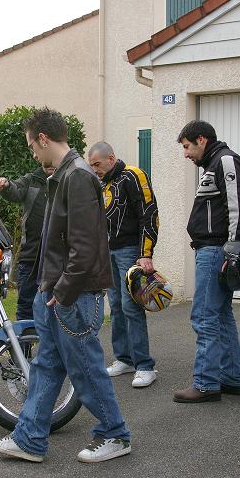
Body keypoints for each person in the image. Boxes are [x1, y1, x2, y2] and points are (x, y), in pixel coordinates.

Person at [0, 108, 131, 463]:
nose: (33, 154)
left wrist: (61, 291)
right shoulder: (66, 174)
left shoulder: (79, 176)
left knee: (85, 367)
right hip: (55, 292)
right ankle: (30, 439)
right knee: (47, 365)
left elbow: (84, 247)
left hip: (72, 296)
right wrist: (48, 288)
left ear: (43, 138)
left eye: (32, 146)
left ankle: (116, 434)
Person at [173, 120, 240, 404]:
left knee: (205, 316)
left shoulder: (226, 161)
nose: (185, 154)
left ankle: (206, 383)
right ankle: (232, 379)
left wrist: (232, 251)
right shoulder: (213, 164)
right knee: (220, 315)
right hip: (212, 249)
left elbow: (238, 207)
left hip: (215, 250)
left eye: (187, 147)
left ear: (202, 140)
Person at [87, 141, 159, 388]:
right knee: (116, 306)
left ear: (111, 158)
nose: (95, 169)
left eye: (97, 164)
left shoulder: (133, 175)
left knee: (131, 307)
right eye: (92, 165)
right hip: (108, 252)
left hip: (130, 252)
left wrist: (145, 253)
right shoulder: (102, 183)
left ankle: (145, 366)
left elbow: (149, 213)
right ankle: (124, 359)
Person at [0, 162, 55, 320]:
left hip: (55, 258)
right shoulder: (31, 180)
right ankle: (23, 344)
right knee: (25, 306)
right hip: (31, 256)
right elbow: (16, 190)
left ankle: (49, 344)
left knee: (54, 309)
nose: (49, 165)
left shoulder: (67, 180)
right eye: (46, 163)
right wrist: (6, 185)